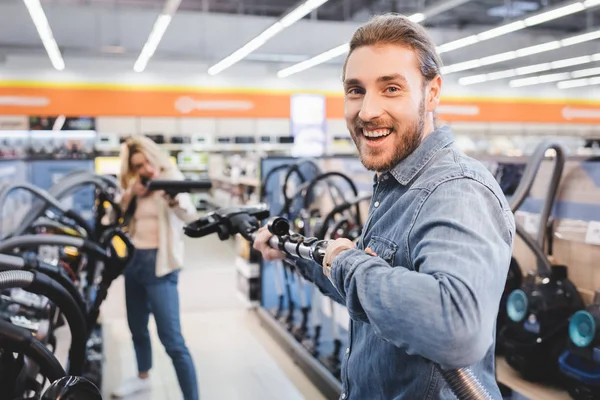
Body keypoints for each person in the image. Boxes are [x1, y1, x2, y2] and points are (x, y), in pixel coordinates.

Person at [253, 13, 515, 400]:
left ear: (432, 93)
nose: (367, 111)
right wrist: (295, 252)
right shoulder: (394, 184)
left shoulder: (456, 190)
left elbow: (457, 330)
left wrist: (345, 261)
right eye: (355, 90)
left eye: (391, 88)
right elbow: (377, 295)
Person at [111, 135, 200, 400]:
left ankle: (191, 396)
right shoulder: (132, 184)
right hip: (134, 263)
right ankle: (143, 378)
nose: (144, 169)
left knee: (172, 340)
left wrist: (170, 196)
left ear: (154, 157)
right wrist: (130, 195)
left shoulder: (170, 176)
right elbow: (111, 217)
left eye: (146, 161)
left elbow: (189, 214)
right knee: (137, 328)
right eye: (136, 165)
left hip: (161, 267)